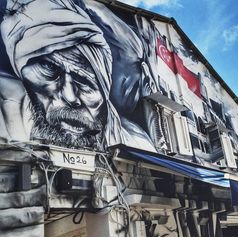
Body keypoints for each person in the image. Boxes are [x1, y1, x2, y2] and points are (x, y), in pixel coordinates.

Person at [0, 0, 157, 151]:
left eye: (83, 81)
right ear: (20, 69)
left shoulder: (137, 144)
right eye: (50, 69)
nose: (70, 97)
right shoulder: (6, 117)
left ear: (104, 90)